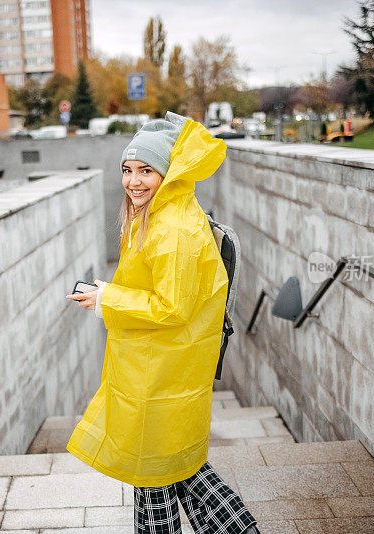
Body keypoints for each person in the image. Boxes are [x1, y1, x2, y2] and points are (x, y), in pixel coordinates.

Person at [65, 114, 260, 534]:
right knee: (181, 469)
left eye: (146, 170)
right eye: (127, 169)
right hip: (163, 368)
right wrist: (107, 297)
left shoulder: (171, 228)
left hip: (160, 373)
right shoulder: (160, 212)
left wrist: (105, 299)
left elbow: (171, 306)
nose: (133, 181)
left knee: (154, 475)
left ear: (167, 173)